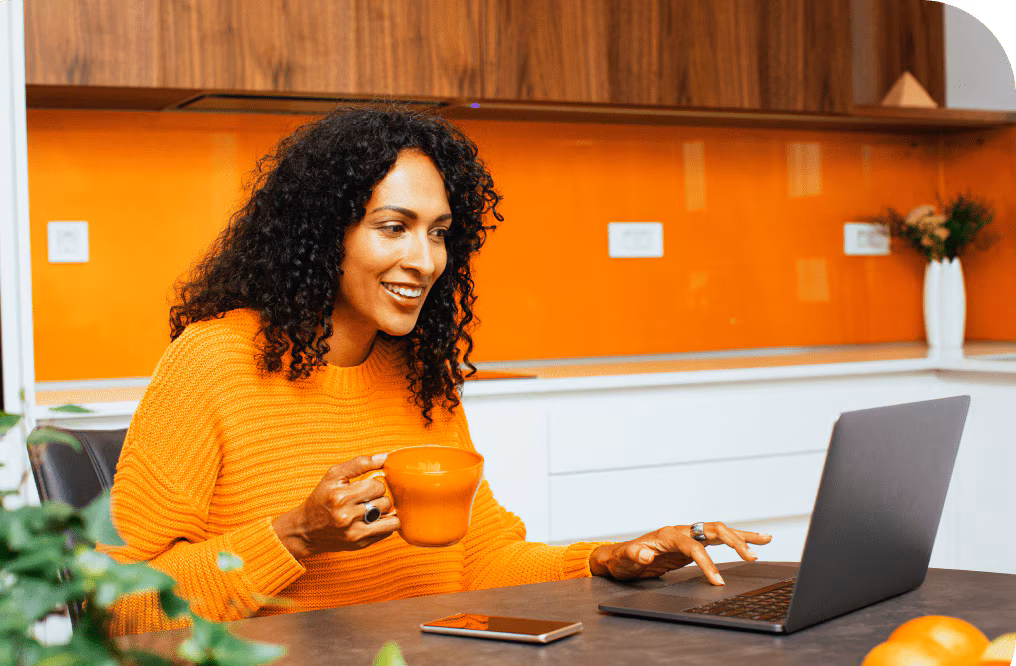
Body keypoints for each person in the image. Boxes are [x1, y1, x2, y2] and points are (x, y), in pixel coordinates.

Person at [104, 107, 771, 637]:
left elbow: (479, 561)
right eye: (393, 227)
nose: (425, 260)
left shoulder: (418, 373)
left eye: (440, 232)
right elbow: (116, 608)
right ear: (320, 233)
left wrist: (611, 558)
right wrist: (295, 535)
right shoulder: (212, 361)